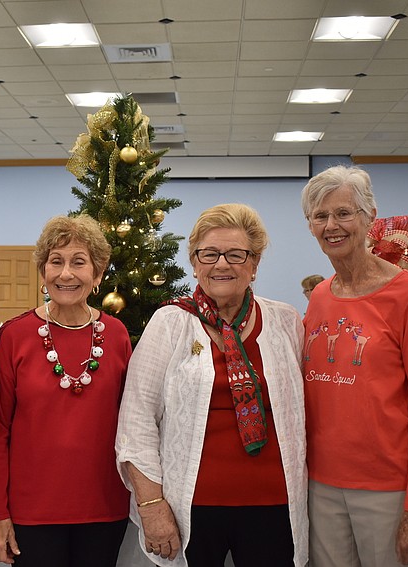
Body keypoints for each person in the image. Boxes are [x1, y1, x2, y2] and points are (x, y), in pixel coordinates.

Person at [116, 203, 308, 567]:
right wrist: (151, 505)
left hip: (275, 505)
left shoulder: (285, 322)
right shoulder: (169, 323)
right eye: (210, 254)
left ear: (254, 264)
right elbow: (136, 421)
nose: (222, 264)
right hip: (191, 506)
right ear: (195, 262)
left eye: (236, 255)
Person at [300, 165, 408, 566]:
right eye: (320, 216)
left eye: (344, 213)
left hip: (387, 490)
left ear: (369, 218)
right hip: (320, 485)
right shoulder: (321, 296)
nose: (332, 225)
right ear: (310, 225)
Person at [0, 214, 132, 567]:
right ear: (43, 272)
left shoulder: (117, 335)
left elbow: (133, 424)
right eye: (56, 261)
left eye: (79, 262)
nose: (66, 274)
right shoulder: (14, 336)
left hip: (104, 508)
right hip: (32, 512)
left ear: (97, 274)